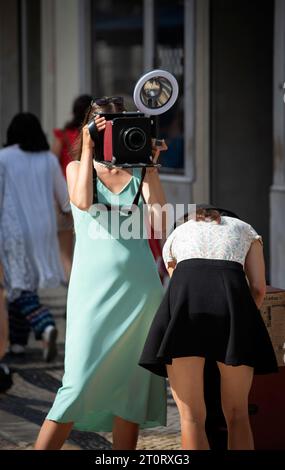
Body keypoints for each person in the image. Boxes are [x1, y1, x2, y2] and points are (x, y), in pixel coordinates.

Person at [34, 96, 167, 450]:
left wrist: (150, 165)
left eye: (118, 124)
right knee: (75, 384)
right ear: (90, 128)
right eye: (103, 125)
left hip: (140, 292)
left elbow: (159, 220)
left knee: (132, 388)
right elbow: (80, 201)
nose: (113, 132)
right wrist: (90, 145)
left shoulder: (140, 169)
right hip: (92, 292)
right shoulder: (77, 168)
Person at [139, 204, 278, 450]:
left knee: (191, 418)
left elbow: (178, 285)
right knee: (238, 414)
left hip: (185, 317)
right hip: (232, 311)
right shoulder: (246, 230)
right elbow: (258, 287)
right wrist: (243, 318)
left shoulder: (177, 233)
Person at [0, 113, 71, 361]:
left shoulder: (4, 158)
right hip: (43, 229)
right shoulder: (49, 160)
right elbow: (64, 197)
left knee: (18, 287)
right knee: (23, 283)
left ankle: (45, 325)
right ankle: (18, 344)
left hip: (13, 231)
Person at [52, 95, 92, 282]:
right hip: (89, 192)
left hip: (66, 197)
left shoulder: (63, 135)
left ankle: (71, 283)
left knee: (65, 250)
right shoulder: (94, 134)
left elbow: (53, 162)